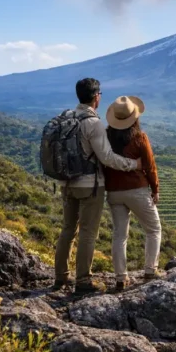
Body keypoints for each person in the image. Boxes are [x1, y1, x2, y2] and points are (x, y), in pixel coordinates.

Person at [54, 78, 142, 294]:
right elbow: (107, 157)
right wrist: (133, 164)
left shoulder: (66, 117)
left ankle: (61, 277)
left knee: (67, 229)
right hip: (89, 185)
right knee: (87, 232)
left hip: (66, 182)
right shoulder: (92, 123)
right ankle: (83, 281)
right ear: (96, 97)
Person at [104, 96, 163, 291]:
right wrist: (155, 189)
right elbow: (150, 166)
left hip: (113, 191)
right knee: (153, 229)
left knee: (120, 235)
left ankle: (121, 278)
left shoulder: (105, 137)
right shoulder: (139, 137)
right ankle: (149, 270)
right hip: (137, 189)